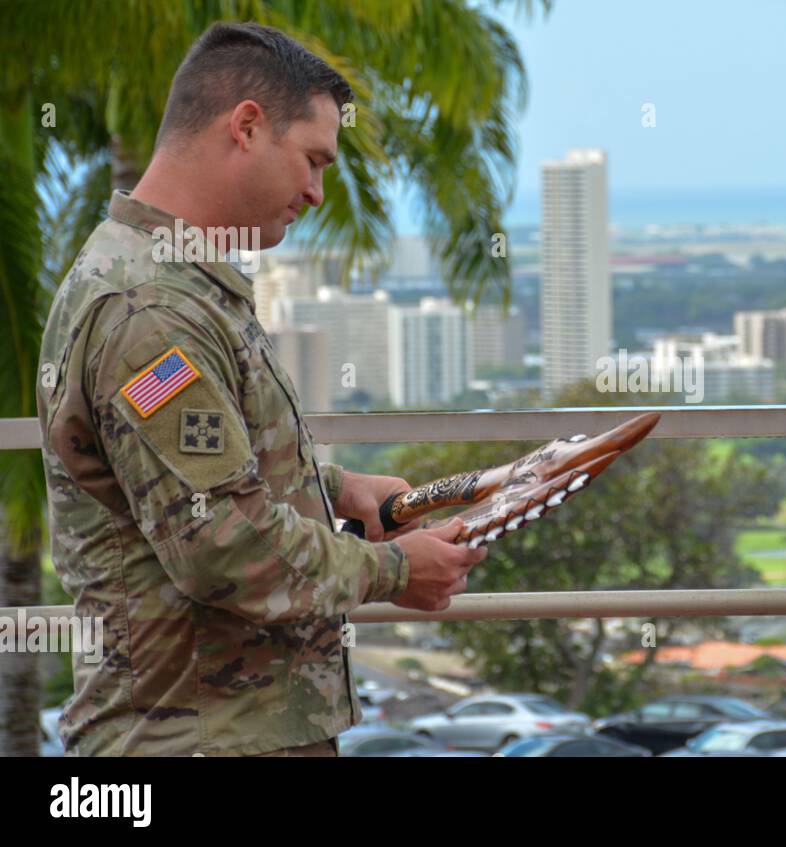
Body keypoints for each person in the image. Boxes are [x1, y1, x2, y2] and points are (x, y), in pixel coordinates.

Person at [36, 22, 486, 756]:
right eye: (312, 160)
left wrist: (337, 488)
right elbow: (225, 547)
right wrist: (399, 569)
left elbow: (185, 479)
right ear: (246, 125)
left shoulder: (174, 282)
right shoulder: (150, 310)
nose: (315, 192)